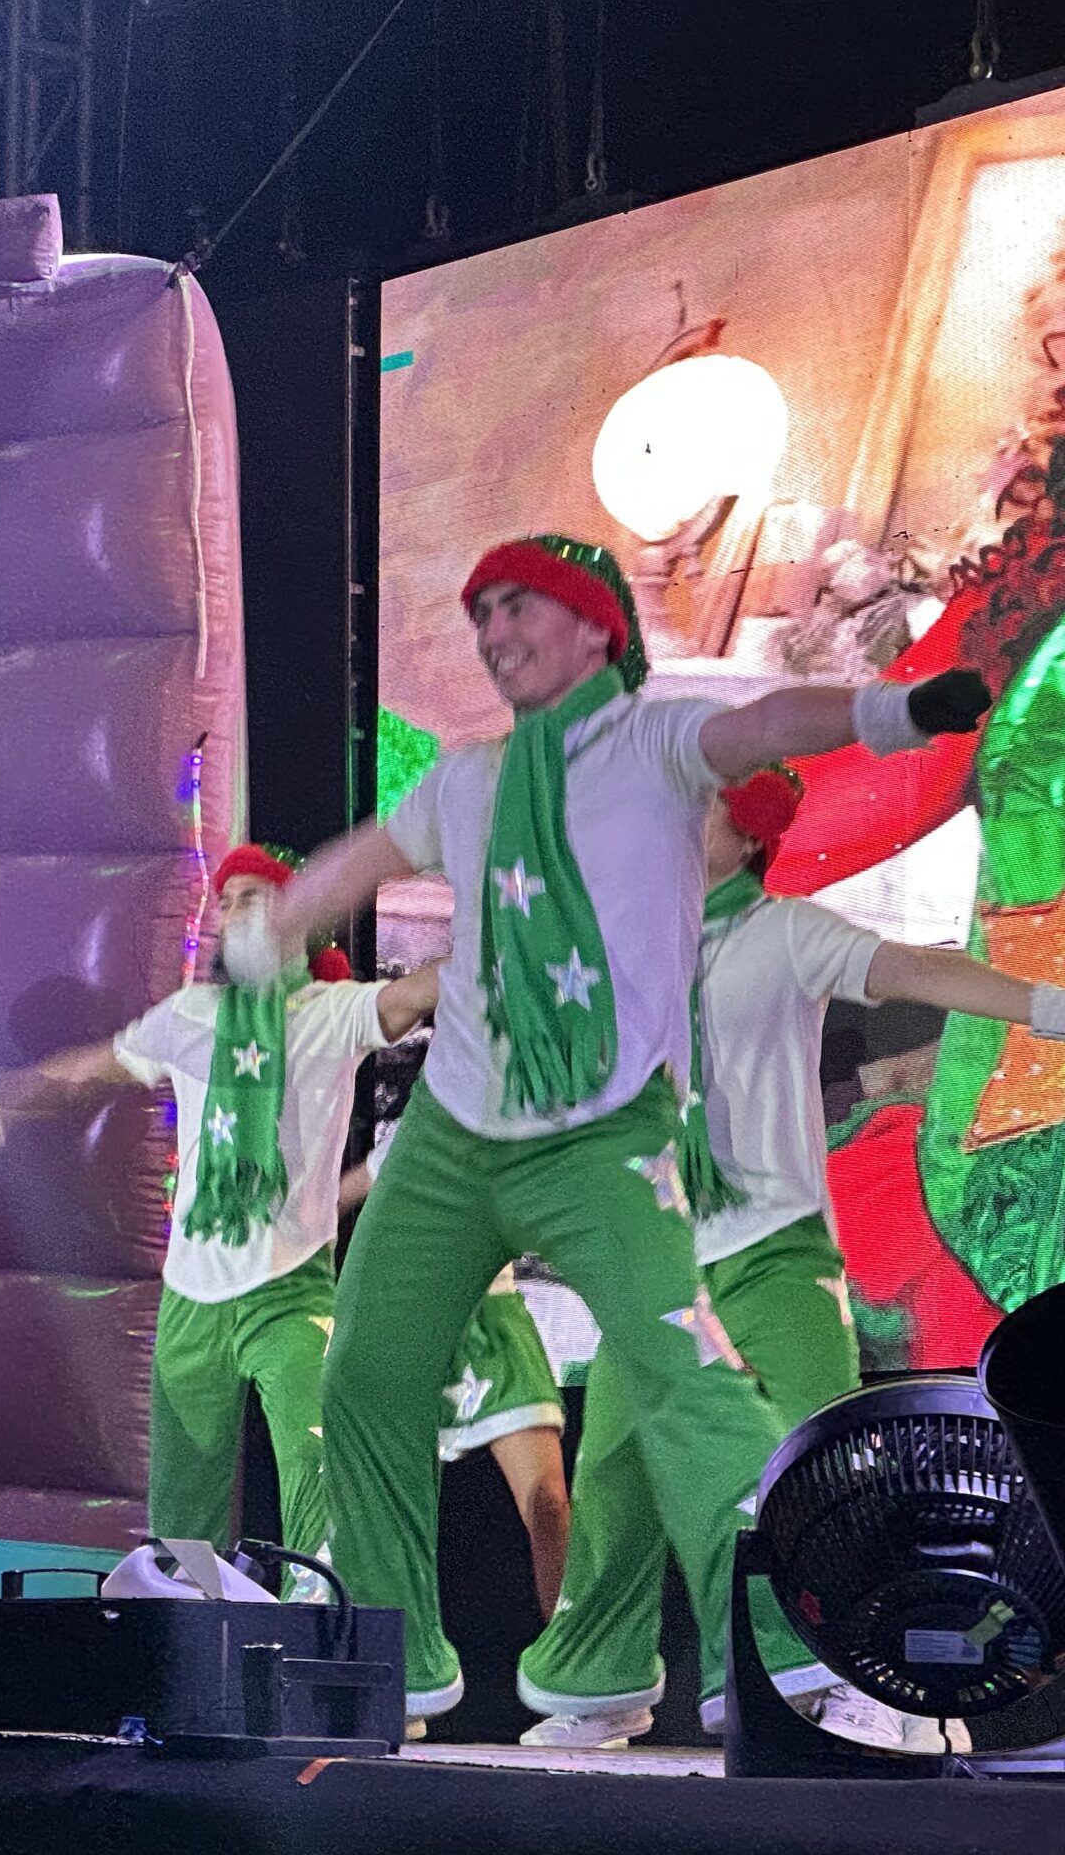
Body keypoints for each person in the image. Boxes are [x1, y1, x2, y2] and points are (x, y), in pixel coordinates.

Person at [220, 532, 997, 1734]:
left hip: (599, 1136)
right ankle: (385, 1665)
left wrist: (889, 712)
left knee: (688, 1386)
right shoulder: (472, 781)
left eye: (518, 606)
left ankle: (807, 1655)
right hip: (456, 1134)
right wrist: (272, 927)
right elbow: (359, 859)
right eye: (482, 614)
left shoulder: (660, 745)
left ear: (595, 625)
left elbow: (769, 723)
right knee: (365, 1374)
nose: (494, 633)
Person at [515, 765, 1065, 1749]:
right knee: (616, 1478)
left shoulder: (787, 933)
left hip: (772, 1253)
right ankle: (596, 1685)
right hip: (659, 1257)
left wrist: (1043, 1005)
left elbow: (918, 971)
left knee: (812, 1476)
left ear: (744, 836)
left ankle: (861, 1681)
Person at [0, 845, 434, 1577]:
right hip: (192, 1296)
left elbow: (417, 993)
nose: (230, 916)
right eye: (223, 903)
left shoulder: (332, 1012)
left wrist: (514, 933)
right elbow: (83, 1072)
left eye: (252, 900)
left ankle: (316, 1613)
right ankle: (190, 1614)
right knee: (182, 1507)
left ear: (298, 917)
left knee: (317, 1462)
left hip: (289, 1290)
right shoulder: (191, 1016)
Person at [340, 1120, 572, 1620]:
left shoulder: (528, 1104)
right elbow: (353, 1187)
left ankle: (573, 1654)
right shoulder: (424, 1118)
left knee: (548, 1502)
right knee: (390, 1515)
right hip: (405, 1318)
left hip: (491, 1318)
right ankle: (397, 1655)